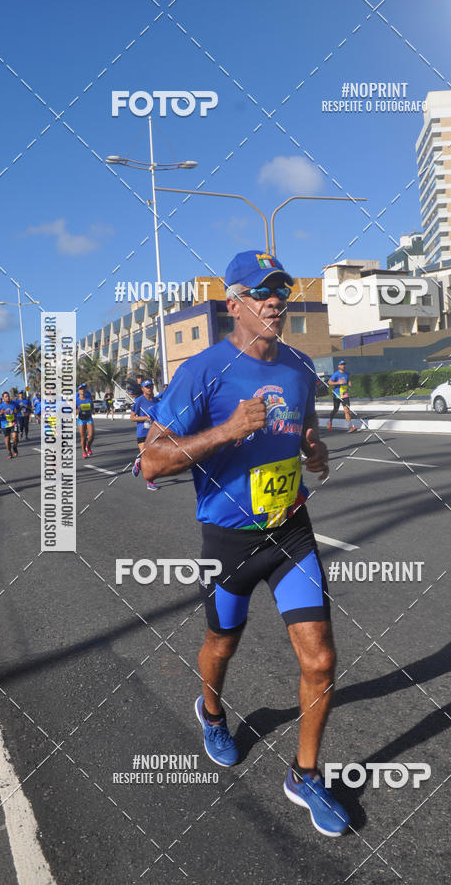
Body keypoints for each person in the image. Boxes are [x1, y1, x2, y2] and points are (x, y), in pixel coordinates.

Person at [141, 249, 349, 837]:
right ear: (234, 304)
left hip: (290, 530)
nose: (274, 301)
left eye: (280, 290)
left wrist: (316, 454)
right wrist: (228, 430)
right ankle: (211, 711)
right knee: (221, 641)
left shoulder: (300, 368)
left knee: (322, 657)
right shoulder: (202, 371)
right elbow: (152, 461)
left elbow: (308, 443)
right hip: (230, 539)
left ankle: (305, 775)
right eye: (261, 292)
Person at [130, 379, 160, 491]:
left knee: (153, 457)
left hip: (154, 433)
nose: (149, 388)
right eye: (147, 387)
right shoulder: (139, 401)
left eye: (151, 386)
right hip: (142, 432)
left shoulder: (157, 401)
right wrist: (146, 418)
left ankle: (139, 462)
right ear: (142, 389)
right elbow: (132, 417)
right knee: (148, 457)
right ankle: (150, 482)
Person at [327, 360, 355, 432]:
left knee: (347, 410)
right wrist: (338, 382)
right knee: (335, 410)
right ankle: (330, 421)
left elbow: (348, 380)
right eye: (342, 364)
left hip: (345, 394)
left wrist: (349, 383)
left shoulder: (347, 374)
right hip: (337, 395)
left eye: (344, 364)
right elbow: (329, 382)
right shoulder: (336, 374)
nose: (343, 366)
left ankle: (350, 427)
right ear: (339, 366)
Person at [0, 391, 20, 458]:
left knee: (15, 437)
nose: (8, 397)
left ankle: (15, 447)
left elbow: (19, 408)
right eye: (6, 397)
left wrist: (17, 411)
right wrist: (1, 413)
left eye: (8, 396)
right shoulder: (1, 406)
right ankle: (9, 452)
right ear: (3, 398)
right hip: (5, 424)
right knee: (7, 438)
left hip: (14, 423)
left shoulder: (14, 403)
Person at [76, 384, 95, 458]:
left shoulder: (89, 399)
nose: (83, 390)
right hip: (81, 419)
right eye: (81, 389)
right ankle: (84, 451)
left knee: (91, 435)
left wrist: (92, 410)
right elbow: (74, 412)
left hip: (88, 418)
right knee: (83, 437)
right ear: (79, 391)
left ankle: (88, 446)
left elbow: (92, 407)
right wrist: (78, 409)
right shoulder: (77, 400)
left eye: (84, 389)